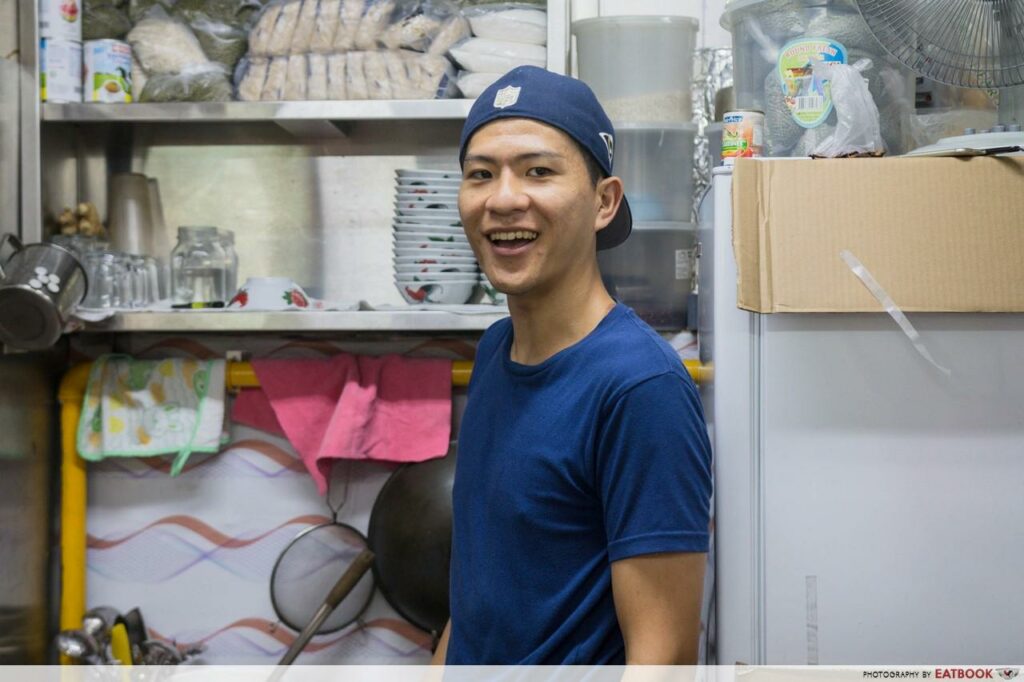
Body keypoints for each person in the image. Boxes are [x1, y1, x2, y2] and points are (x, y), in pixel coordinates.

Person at [431, 66, 713, 665]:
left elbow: (663, 660)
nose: (504, 199)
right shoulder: (494, 350)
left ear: (604, 202)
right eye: (480, 175)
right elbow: (479, 596)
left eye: (538, 171)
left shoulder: (640, 387)